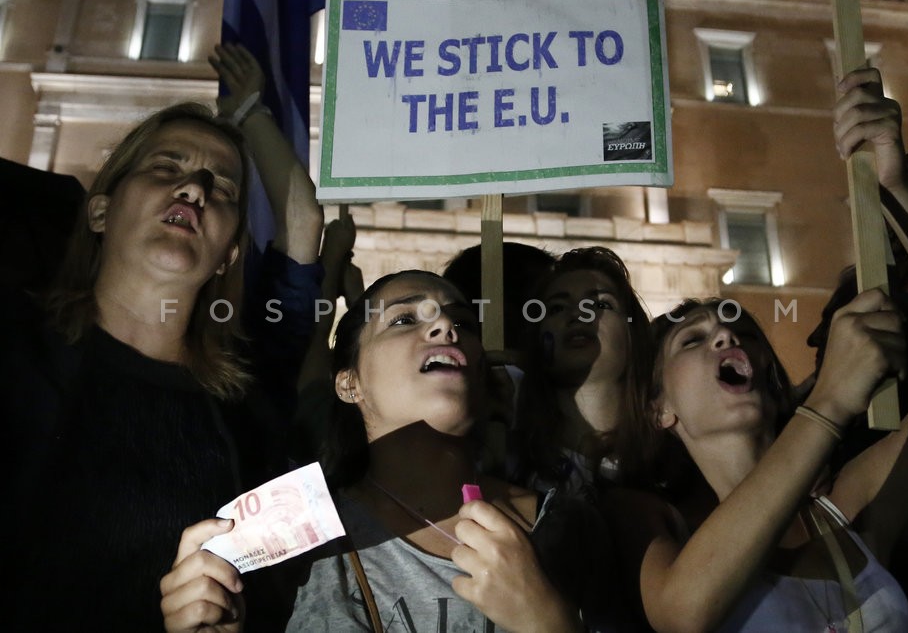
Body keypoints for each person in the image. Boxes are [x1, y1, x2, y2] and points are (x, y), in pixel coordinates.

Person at [609, 67, 908, 633]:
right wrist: (828, 402)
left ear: (771, 379)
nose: (726, 337)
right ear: (659, 408)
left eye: (742, 332)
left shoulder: (849, 507)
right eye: (692, 340)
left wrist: (898, 190)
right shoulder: (650, 520)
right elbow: (682, 612)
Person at [3, 45, 324, 630]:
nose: (194, 189)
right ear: (100, 212)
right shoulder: (14, 347)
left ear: (228, 254)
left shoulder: (246, 394)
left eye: (221, 188)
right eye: (165, 168)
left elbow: (302, 221)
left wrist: (250, 109)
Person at [161, 270, 633, 632]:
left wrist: (548, 623)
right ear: (349, 383)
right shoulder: (287, 543)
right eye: (405, 319)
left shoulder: (566, 529)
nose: (445, 325)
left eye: (463, 322)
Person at [511, 246, 659, 498]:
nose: (578, 314)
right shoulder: (505, 458)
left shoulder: (676, 457)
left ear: (633, 332)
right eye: (557, 308)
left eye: (601, 304)